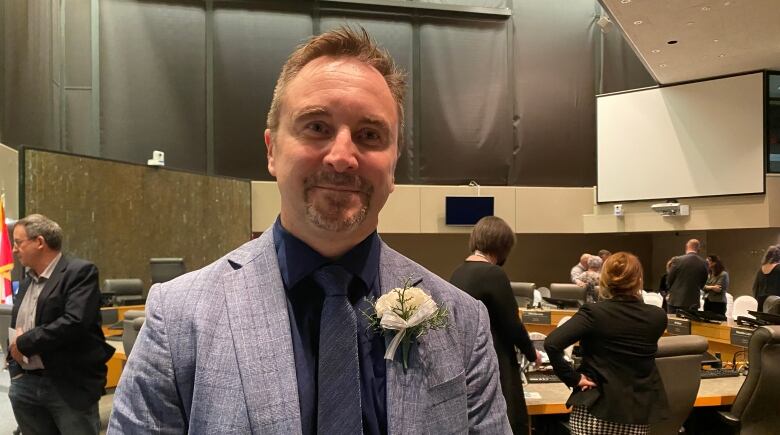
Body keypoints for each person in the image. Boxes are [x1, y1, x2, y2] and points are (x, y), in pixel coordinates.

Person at [109, 27, 510, 434]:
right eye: (316, 127)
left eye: (369, 135)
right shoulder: (178, 319)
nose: (342, 157)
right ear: (271, 150)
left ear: (393, 165)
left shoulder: (463, 322)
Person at [6, 214, 115, 435]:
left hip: (66, 385)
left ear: (39, 242)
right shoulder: (27, 280)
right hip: (25, 383)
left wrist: (24, 344)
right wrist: (15, 369)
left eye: (18, 243)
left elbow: (73, 322)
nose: (14, 250)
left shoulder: (79, 272)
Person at [544, 252, 669, 435]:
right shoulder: (658, 317)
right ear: (638, 280)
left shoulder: (593, 313)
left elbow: (552, 344)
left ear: (605, 279)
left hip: (596, 410)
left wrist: (573, 378)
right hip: (636, 413)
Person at [449, 216, 540, 434]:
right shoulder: (493, 274)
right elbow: (512, 324)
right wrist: (531, 353)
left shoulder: (458, 272)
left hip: (466, 358)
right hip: (494, 356)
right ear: (503, 245)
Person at [666, 239, 708, 314]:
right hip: (693, 301)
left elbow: (669, 279)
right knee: (690, 324)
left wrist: (671, 291)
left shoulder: (677, 260)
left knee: (674, 323)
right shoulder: (704, 263)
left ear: (686, 247)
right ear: (698, 249)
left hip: (675, 300)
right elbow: (703, 282)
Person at [753, 245, 780, 312]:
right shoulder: (779, 268)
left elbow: (755, 288)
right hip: (776, 303)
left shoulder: (760, 270)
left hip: (760, 302)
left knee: (762, 321)